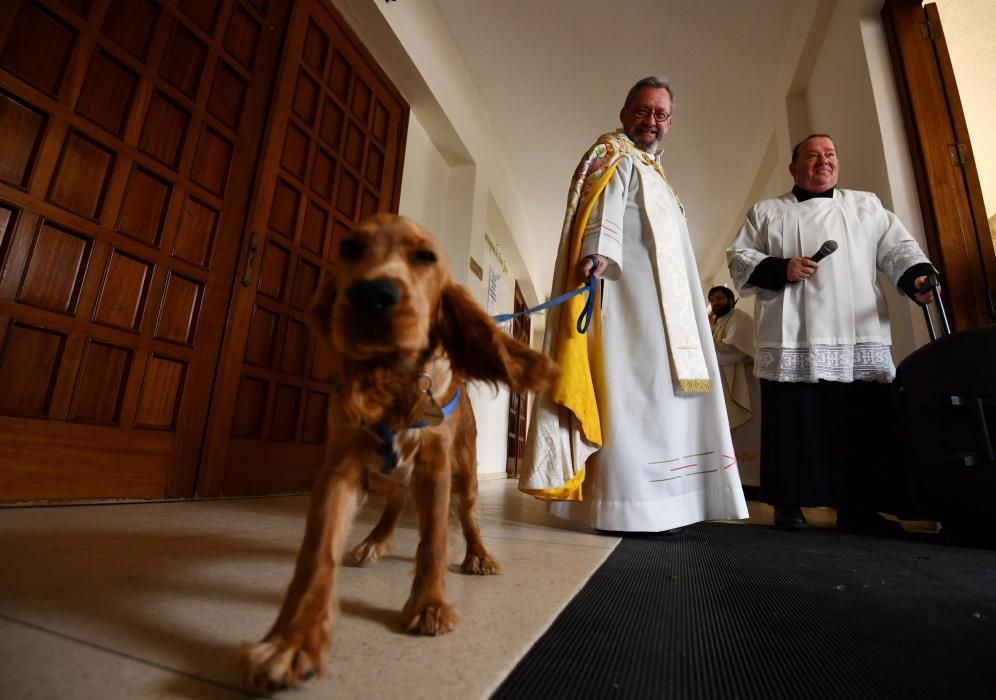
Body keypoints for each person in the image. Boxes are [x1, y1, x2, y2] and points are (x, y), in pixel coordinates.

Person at [518, 76, 749, 534]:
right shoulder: (613, 154)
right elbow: (602, 212)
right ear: (624, 114)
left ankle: (673, 501)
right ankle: (627, 501)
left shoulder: (658, 174)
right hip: (629, 304)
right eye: (642, 111)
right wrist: (596, 256)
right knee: (634, 393)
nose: (651, 122)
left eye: (661, 114)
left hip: (672, 313)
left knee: (667, 398)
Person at [726, 133, 937, 533]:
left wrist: (916, 278)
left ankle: (859, 508)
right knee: (794, 420)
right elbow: (740, 259)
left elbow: (897, 249)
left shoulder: (865, 205)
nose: (822, 162)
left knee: (860, 420)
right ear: (793, 168)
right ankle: (789, 503)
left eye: (829, 155)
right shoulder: (767, 211)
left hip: (855, 332)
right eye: (811, 156)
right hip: (794, 335)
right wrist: (780, 268)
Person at [708, 285, 761, 490]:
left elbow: (732, 350)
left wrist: (704, 347)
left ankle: (752, 482)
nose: (715, 303)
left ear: (731, 300)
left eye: (720, 299)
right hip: (727, 389)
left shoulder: (740, 319)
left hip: (745, 389)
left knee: (747, 434)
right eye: (712, 300)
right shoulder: (717, 322)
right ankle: (736, 480)